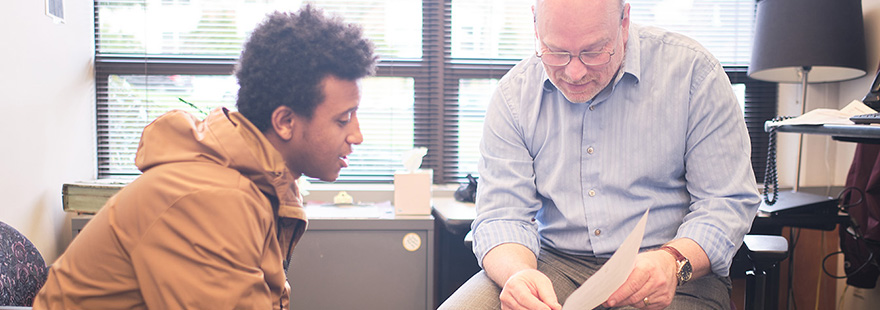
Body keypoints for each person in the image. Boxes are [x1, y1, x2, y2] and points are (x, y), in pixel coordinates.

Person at [34, 5, 375, 309]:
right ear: (285, 122)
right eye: (343, 119)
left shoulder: (259, 181)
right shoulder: (211, 198)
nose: (357, 135)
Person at [440, 0, 760, 309]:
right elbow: (502, 215)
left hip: (668, 270)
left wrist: (673, 261)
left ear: (623, 23)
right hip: (553, 265)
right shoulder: (514, 95)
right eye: (557, 52)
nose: (575, 72)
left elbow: (726, 201)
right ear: (535, 25)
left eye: (593, 52)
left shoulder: (694, 74)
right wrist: (519, 274)